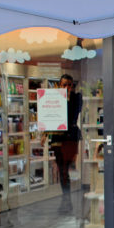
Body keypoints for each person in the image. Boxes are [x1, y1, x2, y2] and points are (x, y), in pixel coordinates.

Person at [45, 74, 83, 212]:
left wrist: (65, 99)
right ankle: (66, 200)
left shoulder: (76, 98)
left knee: (66, 168)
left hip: (70, 137)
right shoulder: (53, 98)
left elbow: (73, 114)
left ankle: (67, 201)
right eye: (64, 85)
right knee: (62, 169)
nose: (67, 88)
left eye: (70, 85)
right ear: (59, 85)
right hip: (57, 137)